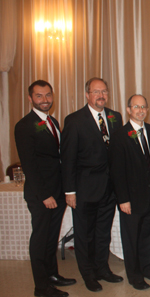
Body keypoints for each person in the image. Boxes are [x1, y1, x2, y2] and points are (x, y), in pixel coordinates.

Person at [61, 77, 124, 292]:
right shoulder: (74, 120)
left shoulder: (115, 117)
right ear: (87, 94)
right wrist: (70, 191)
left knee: (103, 233)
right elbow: (67, 159)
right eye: (96, 91)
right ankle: (88, 274)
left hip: (109, 189)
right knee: (84, 234)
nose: (101, 95)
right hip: (85, 189)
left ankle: (102, 269)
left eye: (104, 91)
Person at [15, 80, 76, 297]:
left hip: (57, 192)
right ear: (30, 98)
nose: (45, 100)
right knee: (40, 239)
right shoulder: (24, 125)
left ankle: (52, 275)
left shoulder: (52, 120)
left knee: (52, 238)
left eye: (48, 95)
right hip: (42, 195)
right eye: (39, 96)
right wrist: (45, 195)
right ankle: (41, 287)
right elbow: (29, 165)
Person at [109, 95, 150, 290]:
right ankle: (134, 276)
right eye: (136, 107)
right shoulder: (119, 136)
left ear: (147, 109)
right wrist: (122, 199)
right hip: (131, 199)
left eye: (143, 107)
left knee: (149, 235)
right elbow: (117, 171)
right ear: (128, 109)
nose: (140, 110)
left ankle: (147, 268)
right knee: (132, 238)